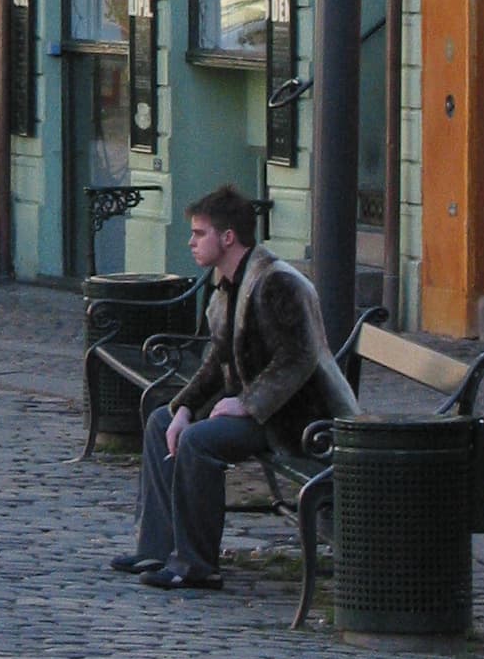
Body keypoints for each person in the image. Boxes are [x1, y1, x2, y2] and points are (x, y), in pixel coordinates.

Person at [111, 185, 358, 592]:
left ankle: (196, 565)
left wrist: (246, 403)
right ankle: (156, 547)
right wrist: (185, 406)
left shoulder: (275, 282)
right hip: (262, 411)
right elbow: (216, 360)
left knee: (199, 441)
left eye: (199, 233)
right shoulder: (227, 285)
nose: (191, 242)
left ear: (227, 238)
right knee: (163, 422)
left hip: (299, 421)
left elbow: (298, 359)